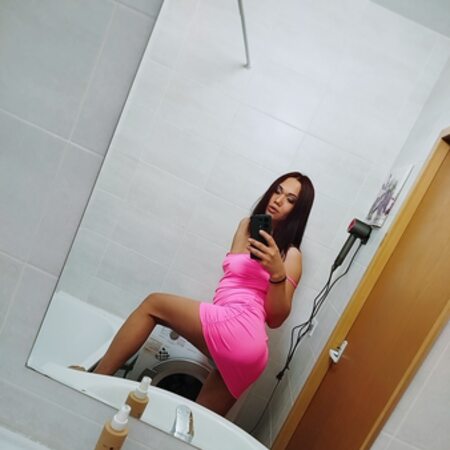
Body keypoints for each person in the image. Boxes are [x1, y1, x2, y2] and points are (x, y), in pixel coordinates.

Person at [94, 171, 315, 416]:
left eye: (290, 200)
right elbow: (231, 282)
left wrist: (277, 273)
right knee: (191, 424)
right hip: (243, 343)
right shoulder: (246, 226)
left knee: (152, 304)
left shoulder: (291, 255)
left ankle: (93, 381)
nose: (278, 200)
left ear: (298, 211)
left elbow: (276, 319)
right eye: (277, 191)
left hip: (243, 329)